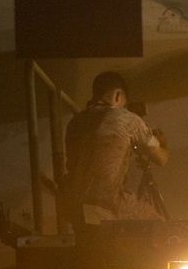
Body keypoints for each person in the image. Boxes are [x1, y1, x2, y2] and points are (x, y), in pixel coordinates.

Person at [62, 70, 168, 226]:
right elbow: (162, 159)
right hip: (106, 204)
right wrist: (163, 143)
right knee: (161, 227)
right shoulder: (127, 119)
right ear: (118, 95)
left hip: (72, 205)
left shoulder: (75, 122)